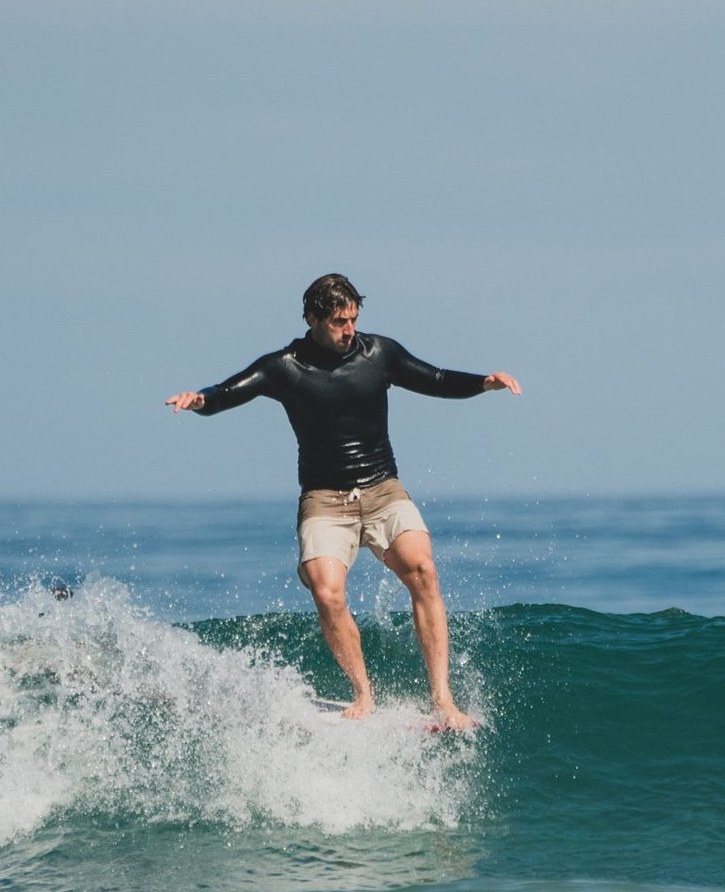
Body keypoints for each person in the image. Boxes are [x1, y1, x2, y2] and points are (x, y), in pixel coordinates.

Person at [166, 273, 522, 730]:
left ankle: (443, 698)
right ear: (312, 318)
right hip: (324, 499)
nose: (349, 329)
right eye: (338, 321)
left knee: (423, 569)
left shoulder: (380, 354)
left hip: (383, 488)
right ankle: (362, 694)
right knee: (327, 591)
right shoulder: (284, 367)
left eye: (353, 319)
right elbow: (228, 391)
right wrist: (199, 400)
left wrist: (483, 383)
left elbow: (433, 378)